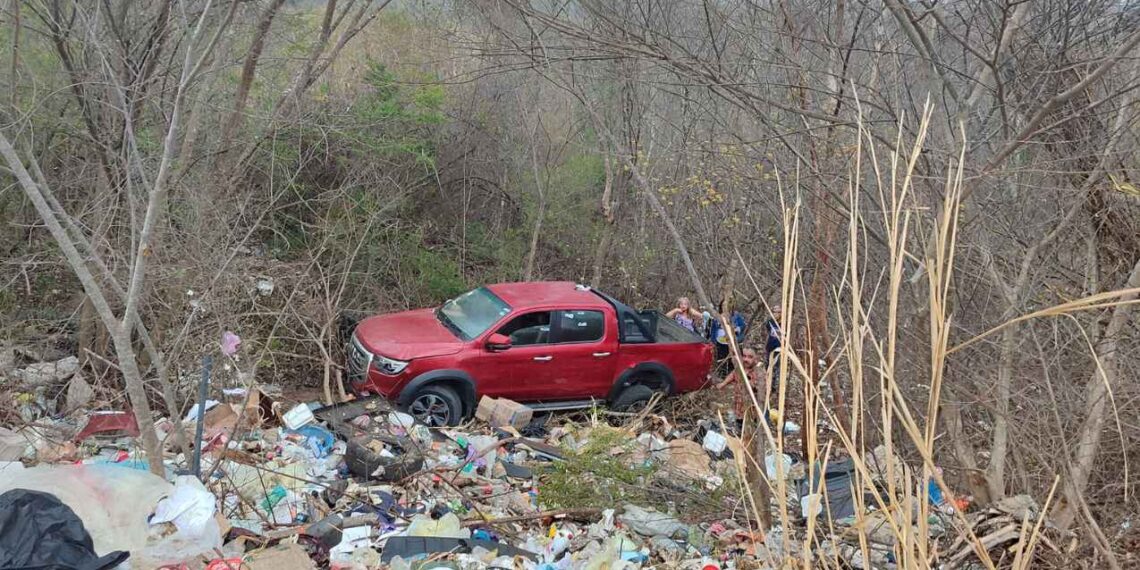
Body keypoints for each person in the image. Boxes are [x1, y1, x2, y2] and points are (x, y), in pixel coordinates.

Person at [715, 347, 761, 430]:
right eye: (744, 356)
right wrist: (723, 384)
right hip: (738, 405)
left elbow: (759, 388)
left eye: (750, 357)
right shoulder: (740, 367)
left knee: (749, 427)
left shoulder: (758, 372)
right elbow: (733, 374)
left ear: (756, 359)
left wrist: (750, 383)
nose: (746, 359)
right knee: (739, 423)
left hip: (751, 409)